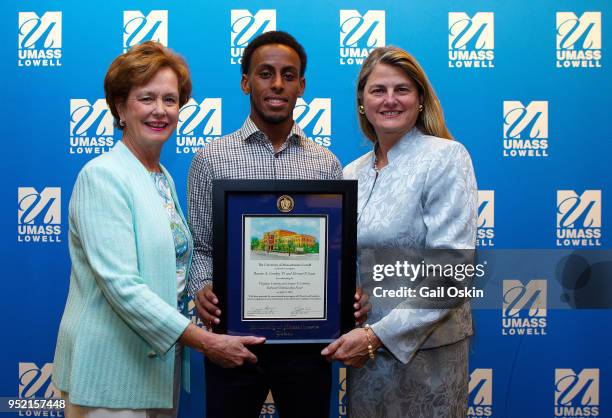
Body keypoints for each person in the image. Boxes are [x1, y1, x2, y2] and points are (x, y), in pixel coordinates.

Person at [52, 41, 264, 418]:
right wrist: (205, 341)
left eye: (170, 99)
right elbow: (122, 286)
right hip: (110, 374)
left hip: (156, 369)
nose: (160, 110)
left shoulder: (160, 176)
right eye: (146, 98)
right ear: (120, 107)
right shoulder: (103, 176)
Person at [188, 31, 368, 418]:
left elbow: (335, 252)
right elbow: (201, 246)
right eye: (265, 73)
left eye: (289, 75)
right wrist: (202, 286)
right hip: (233, 341)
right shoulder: (210, 158)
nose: (277, 84)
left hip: (309, 345)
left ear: (301, 85)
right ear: (245, 81)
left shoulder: (326, 164)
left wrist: (346, 293)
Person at [321, 46, 477, 417]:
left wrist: (376, 337)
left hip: (429, 358)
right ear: (362, 101)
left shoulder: (446, 158)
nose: (390, 100)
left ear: (420, 99)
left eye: (402, 89)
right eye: (378, 90)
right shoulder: (350, 173)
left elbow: (452, 273)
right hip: (366, 358)